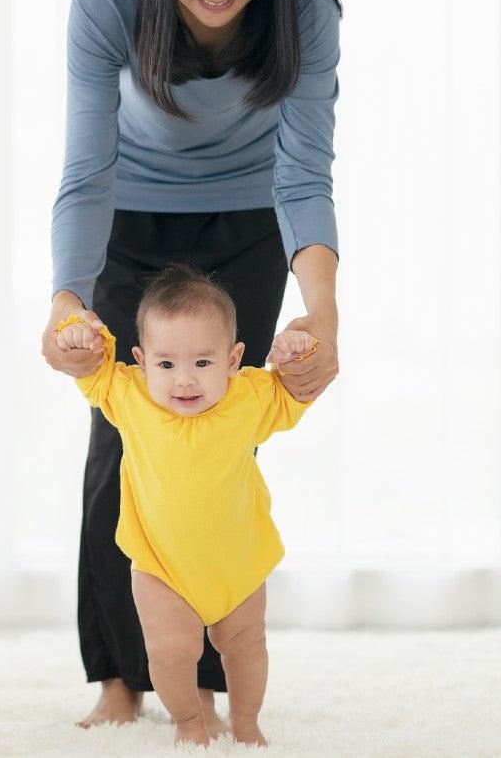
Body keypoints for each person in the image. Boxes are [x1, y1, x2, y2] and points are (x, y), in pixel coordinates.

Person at [39, 0, 344, 735]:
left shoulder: (307, 6)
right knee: (123, 440)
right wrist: (67, 297)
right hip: (130, 215)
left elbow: (305, 175)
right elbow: (87, 167)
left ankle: (203, 678)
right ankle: (119, 675)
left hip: (252, 217)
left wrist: (322, 309)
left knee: (220, 437)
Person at [55, 263, 316, 747]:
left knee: (247, 649)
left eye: (203, 362)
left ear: (234, 359)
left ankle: (246, 723)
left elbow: (296, 389)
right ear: (142, 359)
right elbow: (93, 367)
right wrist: (77, 334)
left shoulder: (250, 396)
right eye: (167, 363)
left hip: (238, 563)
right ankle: (188, 722)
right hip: (160, 565)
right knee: (170, 651)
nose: (184, 381)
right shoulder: (129, 394)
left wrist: (299, 353)